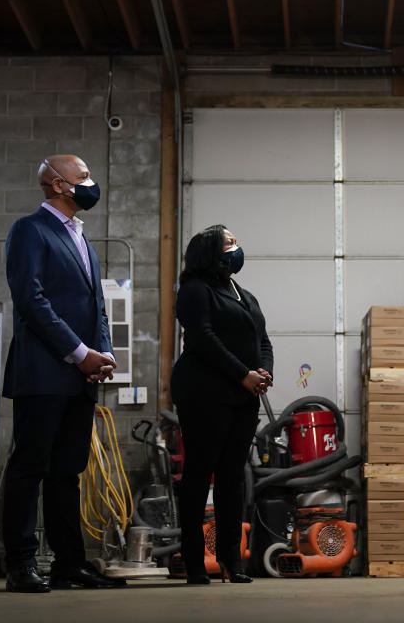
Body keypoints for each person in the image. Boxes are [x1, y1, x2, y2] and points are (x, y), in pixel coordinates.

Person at [2, 155, 125, 592]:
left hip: (78, 376)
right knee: (29, 467)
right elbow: (31, 300)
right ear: (57, 184)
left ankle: (68, 564)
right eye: (83, 178)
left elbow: (97, 306)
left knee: (67, 472)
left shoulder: (81, 238)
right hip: (43, 371)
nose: (91, 184)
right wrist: (79, 352)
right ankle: (20, 565)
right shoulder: (30, 230)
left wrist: (104, 352)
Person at [171, 225, 274, 584]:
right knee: (200, 474)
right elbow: (203, 339)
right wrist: (242, 373)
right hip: (204, 391)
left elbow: (263, 339)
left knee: (233, 477)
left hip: (243, 395)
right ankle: (196, 564)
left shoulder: (245, 295)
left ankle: (233, 563)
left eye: (236, 242)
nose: (236, 247)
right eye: (229, 243)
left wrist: (263, 371)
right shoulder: (194, 290)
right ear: (209, 252)